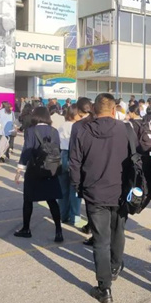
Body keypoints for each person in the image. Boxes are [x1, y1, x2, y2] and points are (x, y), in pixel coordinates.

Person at [70, 93, 132, 303]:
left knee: (101, 239)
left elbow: (75, 162)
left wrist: (78, 186)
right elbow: (135, 160)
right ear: (114, 110)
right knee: (118, 231)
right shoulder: (125, 129)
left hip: (94, 191)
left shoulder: (81, 130)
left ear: (95, 110)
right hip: (120, 191)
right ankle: (115, 266)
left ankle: (104, 288)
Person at [14, 106, 64, 242]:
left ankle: (26, 229)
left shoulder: (31, 131)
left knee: (28, 200)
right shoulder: (54, 131)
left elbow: (27, 150)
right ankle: (58, 231)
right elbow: (57, 149)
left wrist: (20, 169)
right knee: (52, 200)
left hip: (34, 170)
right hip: (50, 169)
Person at [69, 97, 95, 241]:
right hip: (103, 167)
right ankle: (93, 227)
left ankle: (93, 229)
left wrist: (75, 179)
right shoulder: (98, 122)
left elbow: (74, 154)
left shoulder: (78, 126)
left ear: (78, 110)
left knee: (90, 202)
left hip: (85, 169)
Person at [58, 104, 82, 227]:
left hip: (62, 155)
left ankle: (62, 215)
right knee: (75, 188)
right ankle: (75, 216)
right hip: (74, 156)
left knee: (63, 189)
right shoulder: (77, 126)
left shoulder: (62, 126)